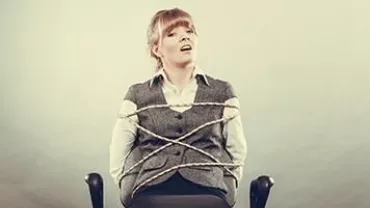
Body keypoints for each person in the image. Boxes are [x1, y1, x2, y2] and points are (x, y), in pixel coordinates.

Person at [109, 7, 247, 208]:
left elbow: (237, 151)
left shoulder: (222, 91)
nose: (185, 38)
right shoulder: (137, 94)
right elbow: (118, 155)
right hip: (151, 190)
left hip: (208, 190)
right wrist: (129, 193)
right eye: (172, 34)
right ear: (157, 49)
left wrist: (225, 188)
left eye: (189, 31)